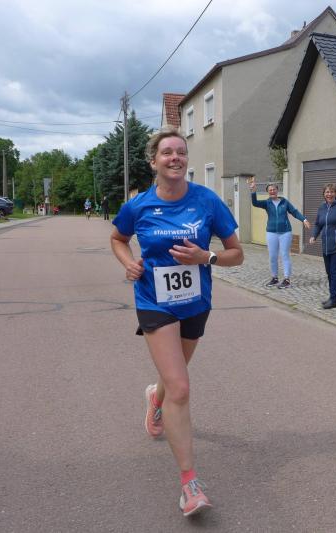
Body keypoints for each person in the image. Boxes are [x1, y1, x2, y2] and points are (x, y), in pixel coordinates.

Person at [110, 126, 244, 517]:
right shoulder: (138, 206)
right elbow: (117, 238)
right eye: (167, 152)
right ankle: (190, 484)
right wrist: (129, 263)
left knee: (173, 380)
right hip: (155, 301)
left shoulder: (207, 201)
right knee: (181, 388)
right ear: (153, 161)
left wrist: (207, 258)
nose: (175, 158)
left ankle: (155, 398)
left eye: (181, 152)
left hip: (195, 302)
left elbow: (236, 253)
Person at [249, 179, 311, 288]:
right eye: (270, 190)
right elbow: (255, 203)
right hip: (271, 232)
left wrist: (304, 219)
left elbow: (294, 212)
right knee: (272, 256)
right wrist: (253, 191)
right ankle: (274, 278)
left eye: (274, 189)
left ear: (277, 190)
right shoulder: (267, 203)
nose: (272, 191)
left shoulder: (284, 202)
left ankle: (287, 279)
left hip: (285, 232)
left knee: (285, 255)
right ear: (268, 192)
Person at [308, 183, 336, 309]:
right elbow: (318, 224)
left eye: (332, 192)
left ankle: (334, 299)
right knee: (329, 272)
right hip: (326, 245)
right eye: (327, 192)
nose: (329, 194)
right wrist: (314, 236)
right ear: (324, 194)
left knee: (334, 271)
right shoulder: (322, 207)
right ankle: (333, 297)